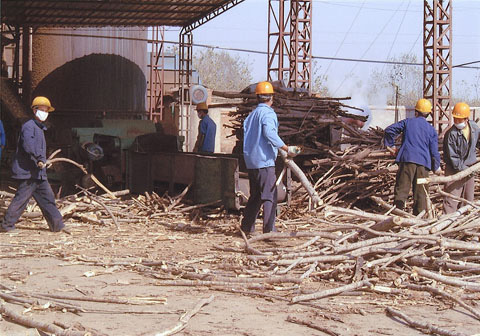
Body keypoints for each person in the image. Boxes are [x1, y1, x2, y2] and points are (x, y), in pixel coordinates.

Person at [240, 81, 299, 234]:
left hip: (251, 161)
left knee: (255, 196)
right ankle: (269, 229)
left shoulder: (251, 115)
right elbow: (270, 134)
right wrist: (287, 148)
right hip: (264, 161)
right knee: (269, 195)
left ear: (258, 97)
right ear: (271, 98)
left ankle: (247, 227)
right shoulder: (268, 113)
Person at [1, 96, 66, 233]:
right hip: (28, 171)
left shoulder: (40, 128)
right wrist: (39, 159)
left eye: (46, 110)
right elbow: (28, 145)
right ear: (35, 110)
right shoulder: (29, 126)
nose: (44, 113)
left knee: (48, 199)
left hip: (38, 173)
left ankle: (57, 226)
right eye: (42, 109)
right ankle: (7, 225)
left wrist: (42, 161)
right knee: (21, 200)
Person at [384, 98, 442, 216]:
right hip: (423, 167)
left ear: (416, 111)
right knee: (421, 192)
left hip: (407, 162)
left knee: (402, 189)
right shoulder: (431, 130)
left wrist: (391, 145)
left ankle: (397, 217)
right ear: (429, 113)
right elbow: (434, 151)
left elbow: (389, 130)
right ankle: (419, 220)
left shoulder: (408, 122)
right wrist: (436, 167)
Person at [443, 102, 480, 213]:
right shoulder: (451, 134)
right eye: (455, 119)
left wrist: (469, 170)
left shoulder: (474, 127)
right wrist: (465, 170)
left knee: (468, 199)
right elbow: (453, 157)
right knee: (451, 199)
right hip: (454, 169)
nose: (457, 122)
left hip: (469, 167)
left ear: (466, 119)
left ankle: (464, 223)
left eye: (460, 119)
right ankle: (446, 224)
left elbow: (478, 142)